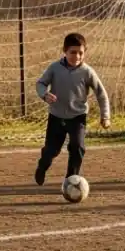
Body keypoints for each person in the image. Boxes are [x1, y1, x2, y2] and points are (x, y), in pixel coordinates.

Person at [34, 32, 110, 186]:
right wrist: (45, 94)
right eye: (73, 52)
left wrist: (106, 116)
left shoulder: (87, 71)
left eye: (80, 53)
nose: (77, 56)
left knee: (78, 147)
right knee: (51, 151)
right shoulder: (54, 68)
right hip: (56, 116)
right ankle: (42, 166)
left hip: (77, 117)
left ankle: (71, 180)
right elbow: (40, 83)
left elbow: (101, 93)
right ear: (64, 51)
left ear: (85, 52)